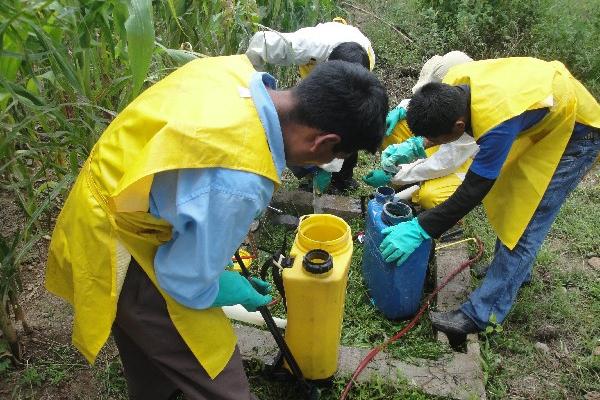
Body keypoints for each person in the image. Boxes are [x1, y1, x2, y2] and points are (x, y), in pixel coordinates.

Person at [45, 55, 388, 399]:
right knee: (219, 376)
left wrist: (215, 264)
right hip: (122, 248)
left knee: (149, 351)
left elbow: (186, 188)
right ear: (321, 141)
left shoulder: (229, 71)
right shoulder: (241, 181)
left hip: (109, 200)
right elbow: (184, 283)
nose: (323, 164)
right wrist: (221, 286)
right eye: (330, 157)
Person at [378, 57, 600, 345]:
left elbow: (474, 190)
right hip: (539, 112)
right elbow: (454, 132)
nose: (433, 142)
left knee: (527, 219)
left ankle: (481, 314)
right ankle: (515, 273)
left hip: (577, 133)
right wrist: (416, 144)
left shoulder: (497, 121)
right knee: (513, 197)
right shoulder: (456, 82)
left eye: (436, 138)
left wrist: (420, 228)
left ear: (459, 125)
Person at [246, 18, 376, 193]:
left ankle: (342, 179)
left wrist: (334, 162)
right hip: (312, 85)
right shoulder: (306, 45)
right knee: (301, 133)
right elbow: (260, 43)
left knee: (349, 133)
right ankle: (310, 173)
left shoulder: (366, 61)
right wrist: (252, 86)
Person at [363, 51, 479, 210]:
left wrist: (394, 174)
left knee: (430, 197)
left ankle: (420, 189)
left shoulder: (476, 116)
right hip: (445, 141)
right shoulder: (455, 83)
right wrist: (402, 110)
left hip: (465, 160)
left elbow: (444, 162)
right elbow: (429, 102)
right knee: (392, 127)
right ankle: (406, 182)